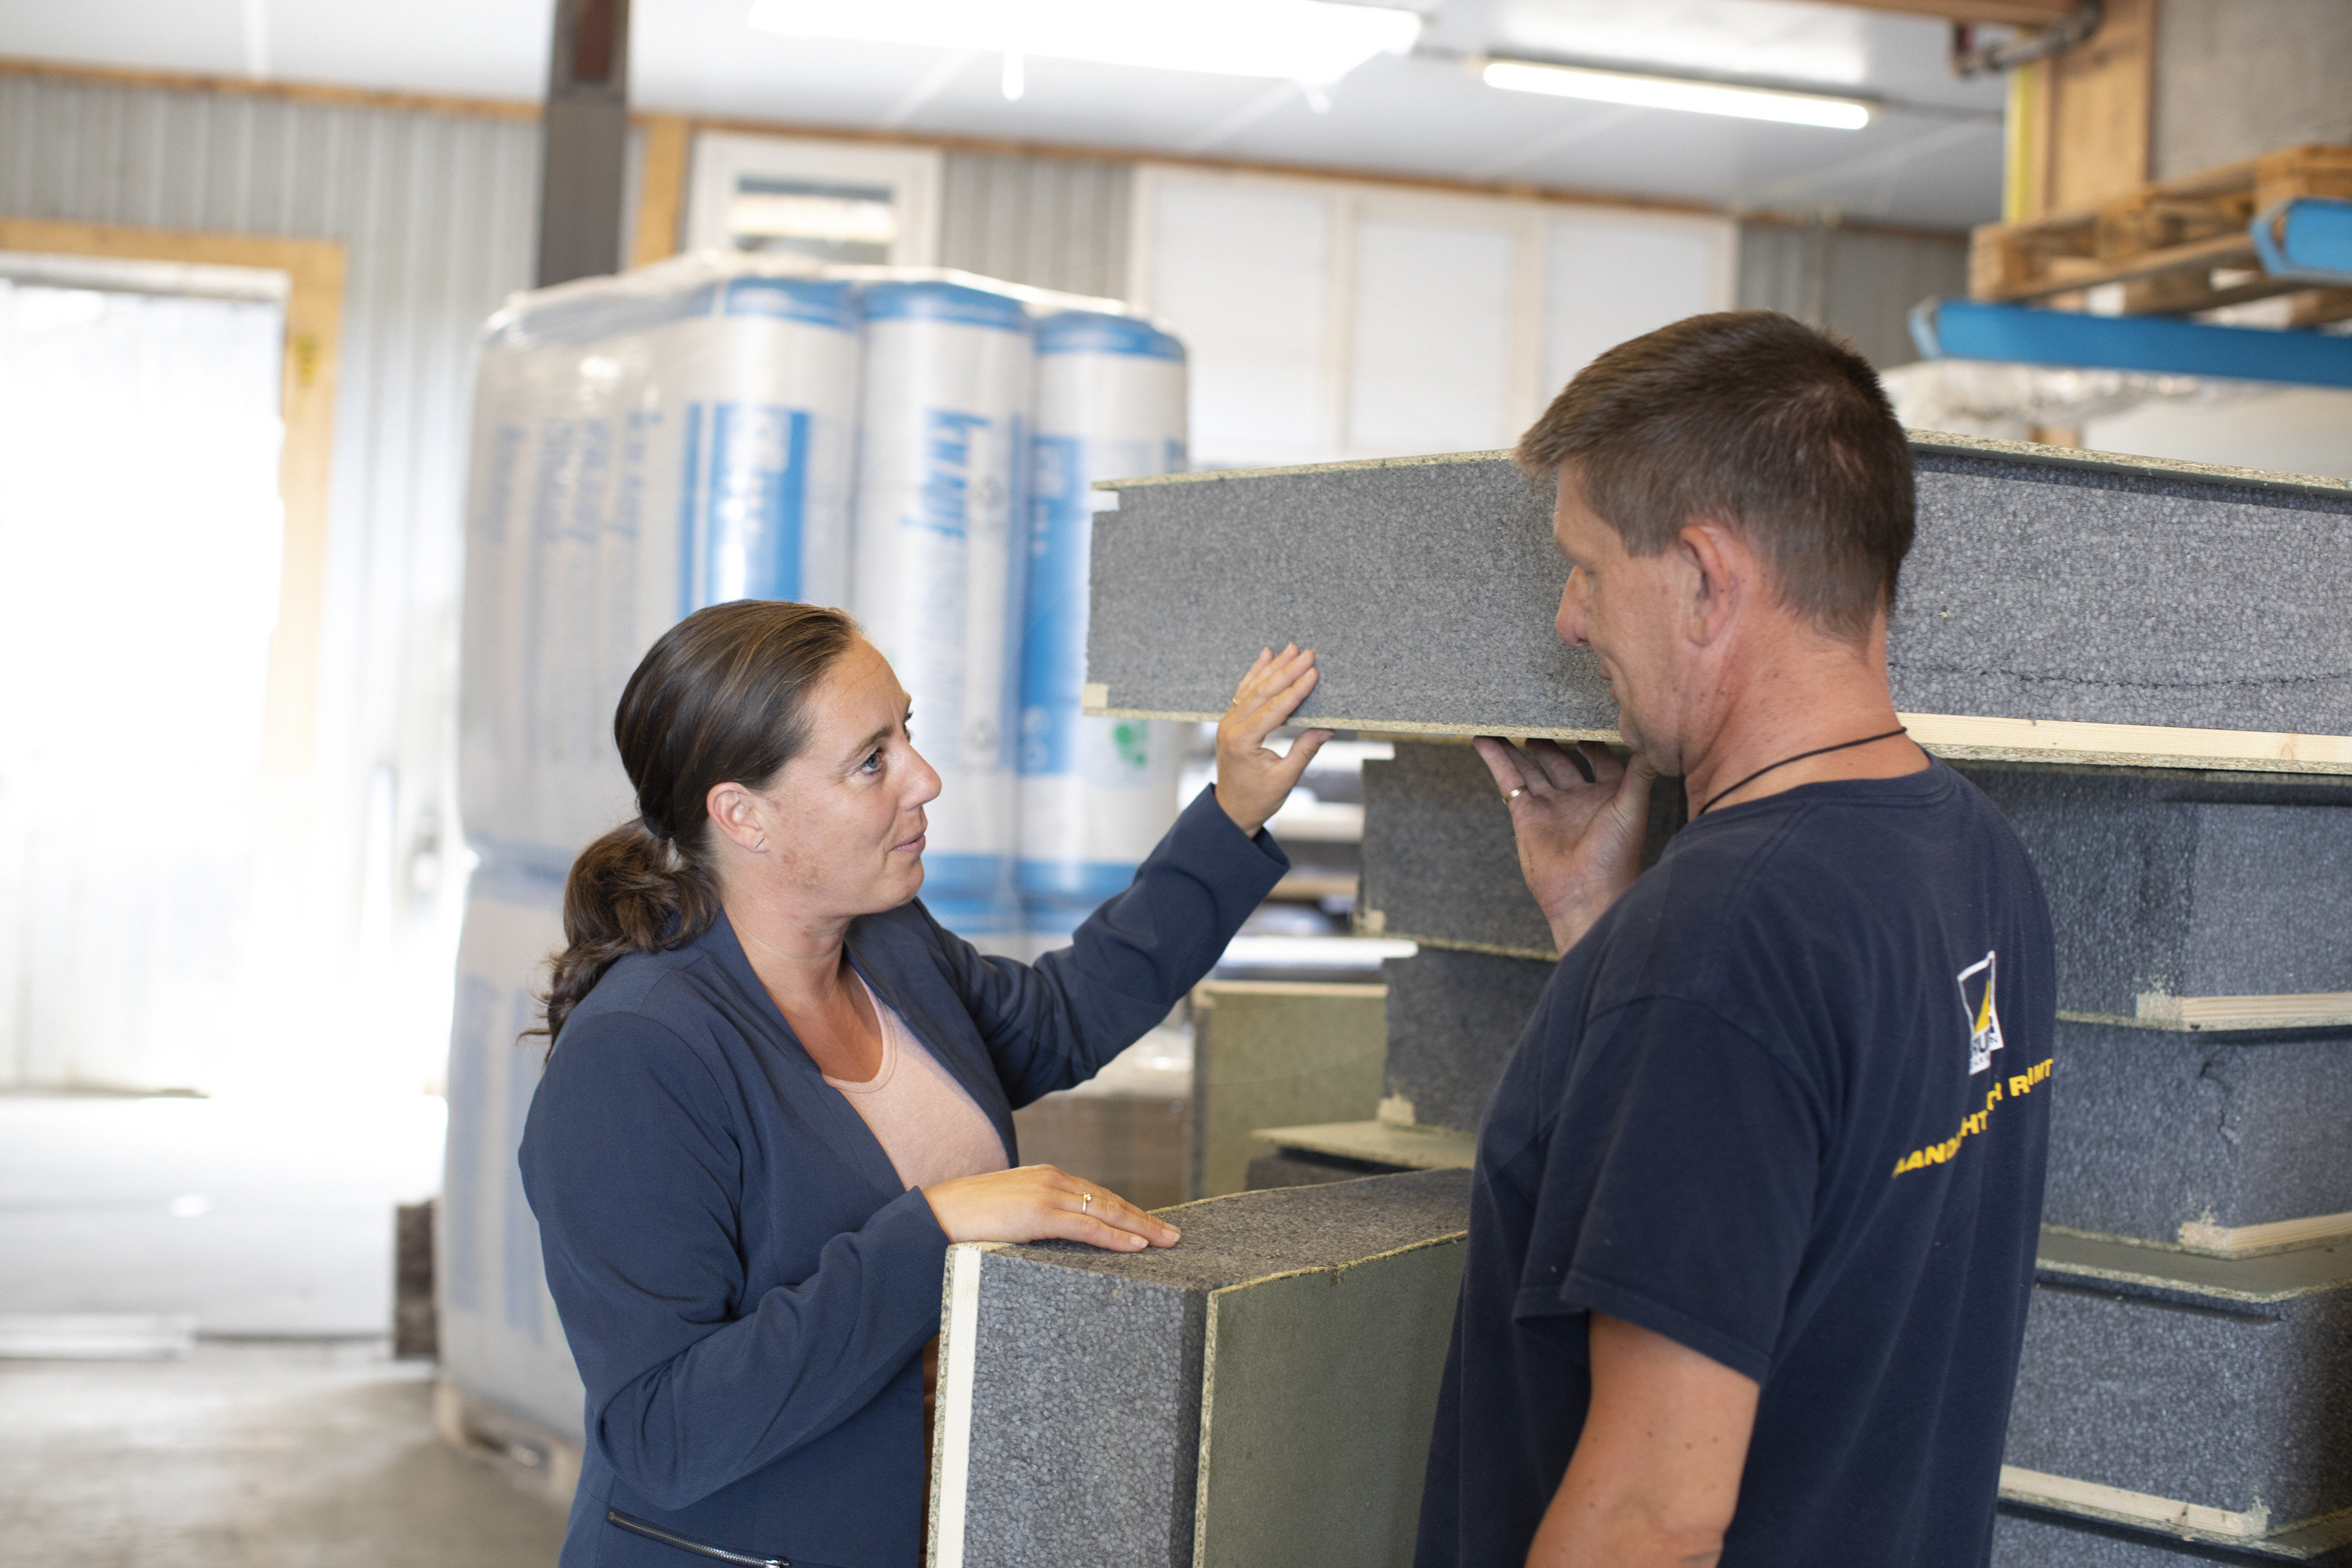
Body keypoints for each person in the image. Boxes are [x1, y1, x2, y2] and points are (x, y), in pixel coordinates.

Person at [1414, 311, 2056, 1568]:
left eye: (1588, 567)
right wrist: (1604, 934)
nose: (1567, 618)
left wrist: (1659, 954)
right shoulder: (1975, 855)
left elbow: (1655, 1518)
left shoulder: (1718, 949)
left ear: (1706, 578)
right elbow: (1805, 1214)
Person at [519, 601, 1331, 1568]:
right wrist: (935, 1229)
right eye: (873, 760)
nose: (925, 778)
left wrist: (1233, 810)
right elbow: (662, 1431)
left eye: (909, 732)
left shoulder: (890, 941)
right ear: (743, 813)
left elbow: (1064, 1017)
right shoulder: (640, 1054)